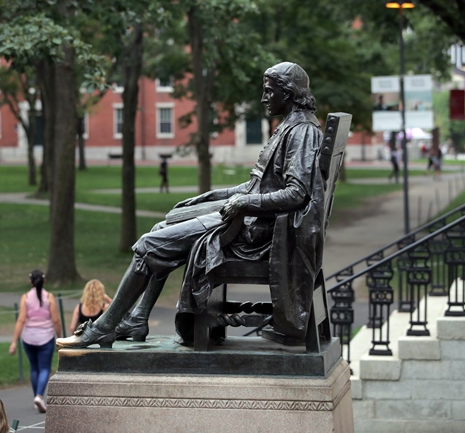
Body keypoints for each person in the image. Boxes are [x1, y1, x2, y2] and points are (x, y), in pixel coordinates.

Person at [58, 61, 325, 349]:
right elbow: (261, 185)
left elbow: (297, 194)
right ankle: (138, 317)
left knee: (149, 244)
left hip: (256, 234)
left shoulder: (302, 132)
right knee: (165, 225)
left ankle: (104, 326)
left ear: (288, 93)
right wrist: (214, 196)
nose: (264, 98)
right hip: (251, 221)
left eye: (269, 92)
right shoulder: (292, 126)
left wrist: (244, 201)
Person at [9, 270, 62, 413]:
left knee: (34, 368)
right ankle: (39, 396)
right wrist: (59, 336)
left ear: (30, 282)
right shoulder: (49, 297)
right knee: (45, 368)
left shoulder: (25, 297)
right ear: (44, 281)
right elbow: (56, 320)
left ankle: (35, 397)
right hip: (46, 338)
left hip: (29, 338)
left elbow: (21, 320)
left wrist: (14, 341)